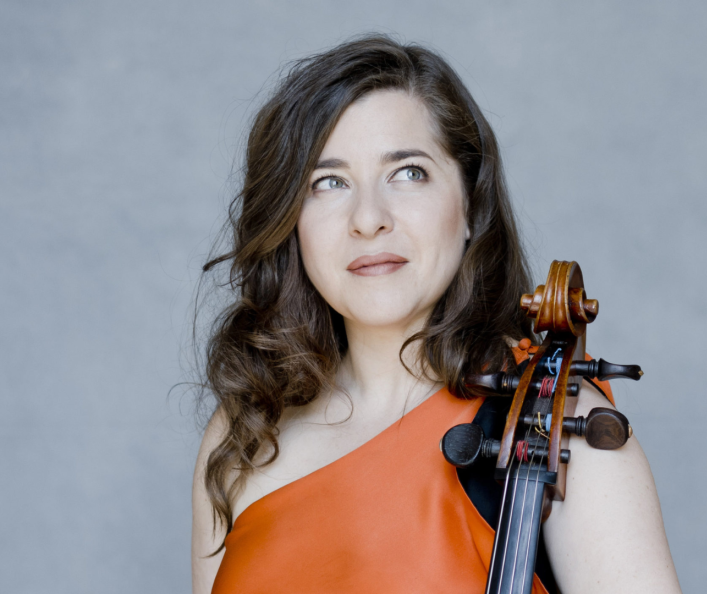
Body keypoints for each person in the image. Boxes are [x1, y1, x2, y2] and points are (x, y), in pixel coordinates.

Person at [191, 35, 681, 594]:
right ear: (291, 222)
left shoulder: (566, 428)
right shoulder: (246, 431)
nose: (368, 219)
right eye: (329, 183)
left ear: (470, 203)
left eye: (408, 173)